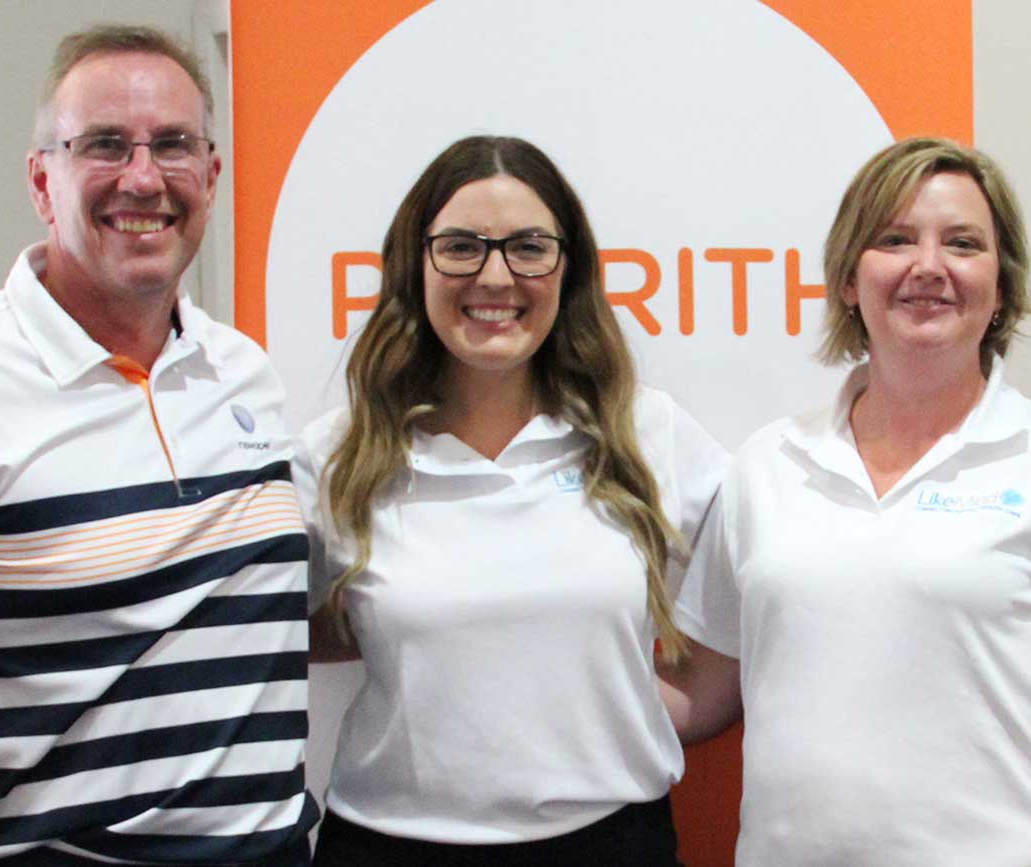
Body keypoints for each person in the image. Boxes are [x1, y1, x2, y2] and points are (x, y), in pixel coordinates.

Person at [0, 25, 316, 865]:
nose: (144, 177)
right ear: (42, 180)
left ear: (213, 175)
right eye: (105, 146)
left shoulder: (244, 373)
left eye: (173, 145)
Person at [663, 136, 1031, 866]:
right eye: (895, 239)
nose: (928, 267)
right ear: (847, 278)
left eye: (962, 243)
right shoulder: (768, 462)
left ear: (1002, 284)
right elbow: (699, 689)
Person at [298, 135, 724, 866]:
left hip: (613, 843)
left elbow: (758, 594)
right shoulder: (339, 457)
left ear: (569, 267)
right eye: (461, 247)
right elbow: (269, 634)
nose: (496, 276)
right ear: (415, 262)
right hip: (390, 844)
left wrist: (630, 718)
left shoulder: (646, 433)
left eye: (529, 247)